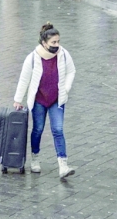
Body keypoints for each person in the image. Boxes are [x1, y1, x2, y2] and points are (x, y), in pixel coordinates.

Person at [13, 23, 76, 178]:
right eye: (53, 42)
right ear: (44, 43)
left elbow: (71, 71)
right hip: (39, 100)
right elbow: (24, 79)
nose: (57, 45)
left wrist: (66, 88)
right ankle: (35, 158)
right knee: (38, 129)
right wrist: (18, 99)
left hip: (57, 99)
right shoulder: (33, 58)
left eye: (58, 42)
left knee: (58, 130)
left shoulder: (64, 54)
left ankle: (63, 165)